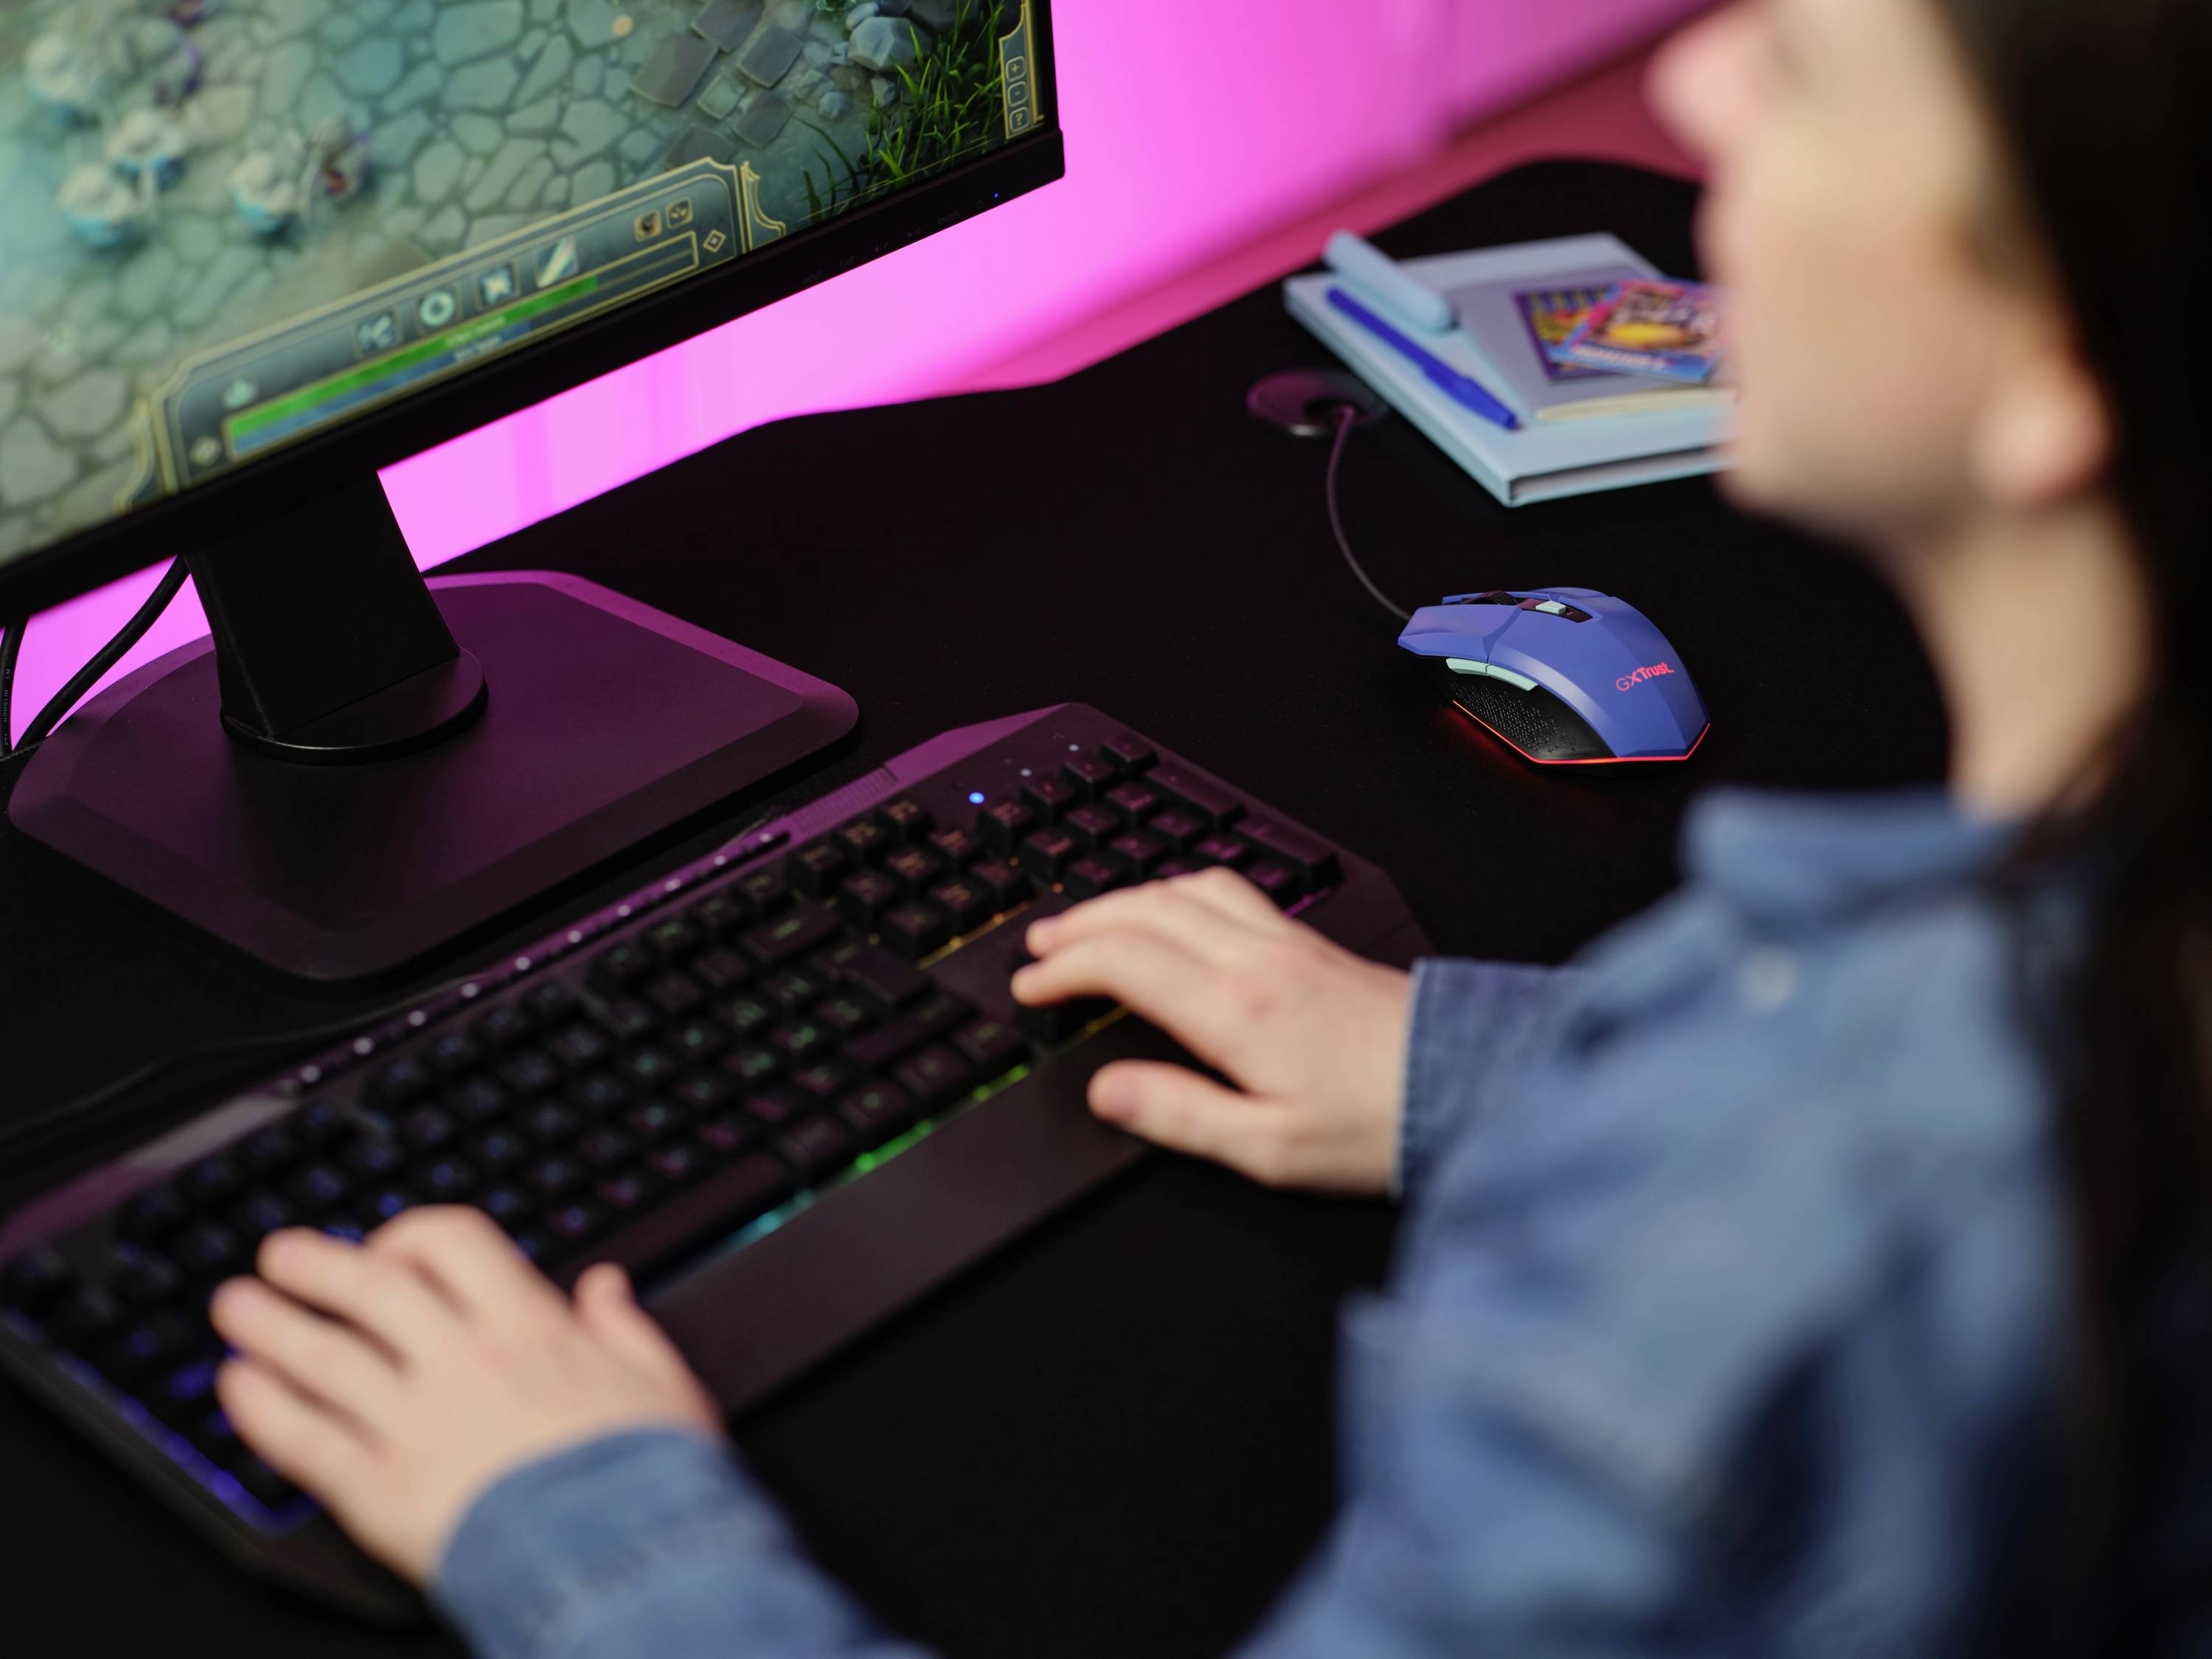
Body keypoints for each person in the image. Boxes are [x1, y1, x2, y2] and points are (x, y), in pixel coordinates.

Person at [203, 0, 2212, 1651]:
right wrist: (1478, 1065)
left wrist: (585, 1528)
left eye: (1813, 65)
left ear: (2052, 369)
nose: (1692, 77)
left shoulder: (1724, 1289)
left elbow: (1817, 1231)